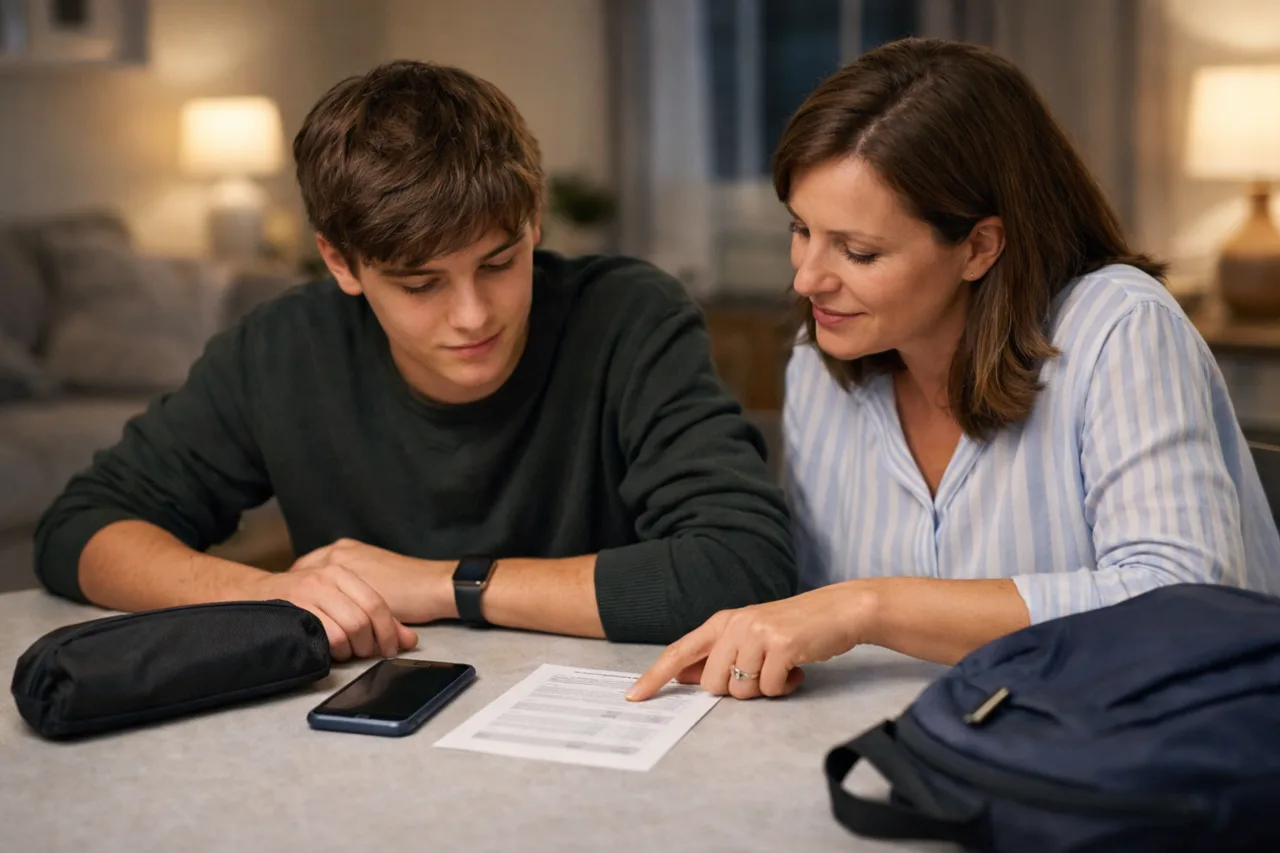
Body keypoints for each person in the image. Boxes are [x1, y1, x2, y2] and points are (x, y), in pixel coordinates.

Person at [34, 61, 796, 660]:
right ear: (341, 264)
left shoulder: (629, 316)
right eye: (420, 284)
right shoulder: (282, 347)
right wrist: (279, 594)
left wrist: (440, 585)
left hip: (608, 720)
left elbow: (742, 565)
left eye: (498, 263)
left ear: (533, 218)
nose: (472, 314)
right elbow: (80, 530)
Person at [627, 37, 1280, 703]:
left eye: (856, 250)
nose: (807, 277)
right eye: (801, 230)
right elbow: (811, 607)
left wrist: (869, 607)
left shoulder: (1121, 327)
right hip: (931, 754)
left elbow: (1177, 599)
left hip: (1174, 760)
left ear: (979, 247)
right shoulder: (820, 363)